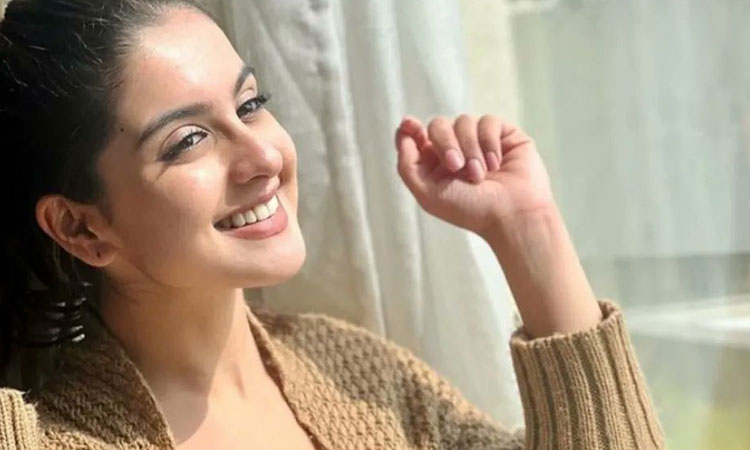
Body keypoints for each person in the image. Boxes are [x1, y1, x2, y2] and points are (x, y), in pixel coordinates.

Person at [0, 0, 665, 448]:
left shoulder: (362, 377)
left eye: (250, 104)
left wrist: (527, 229)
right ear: (80, 228)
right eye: (188, 140)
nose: (264, 156)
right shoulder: (45, 438)